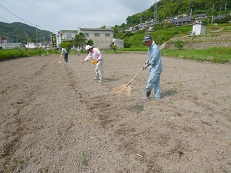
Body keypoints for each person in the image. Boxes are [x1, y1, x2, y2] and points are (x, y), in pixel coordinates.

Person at [142, 34, 162, 100]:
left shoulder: (155, 48)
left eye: (148, 42)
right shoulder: (149, 48)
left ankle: (147, 96)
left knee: (150, 82)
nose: (147, 43)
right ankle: (157, 97)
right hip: (153, 68)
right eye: (145, 42)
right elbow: (150, 58)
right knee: (156, 83)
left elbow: (153, 60)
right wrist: (146, 62)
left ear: (151, 40)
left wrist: (146, 65)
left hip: (156, 68)